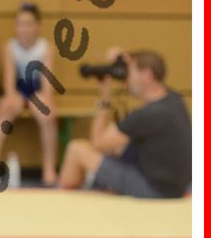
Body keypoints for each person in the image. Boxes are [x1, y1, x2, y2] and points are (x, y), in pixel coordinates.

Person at [58, 48, 192, 197]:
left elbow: (98, 141)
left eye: (130, 72)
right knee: (116, 146)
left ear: (146, 74)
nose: (126, 79)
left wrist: (105, 99)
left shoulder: (146, 115)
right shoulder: (174, 100)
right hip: (177, 187)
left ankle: (64, 201)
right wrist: (122, 58)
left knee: (77, 149)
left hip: (153, 190)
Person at [0, 2, 59, 186]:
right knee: (7, 106)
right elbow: (9, 81)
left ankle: (49, 167)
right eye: (20, 24)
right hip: (17, 89)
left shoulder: (46, 48)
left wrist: (44, 100)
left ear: (38, 26)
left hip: (37, 89)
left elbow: (46, 84)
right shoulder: (9, 47)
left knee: (47, 113)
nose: (24, 29)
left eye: (28, 24)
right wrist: (11, 98)